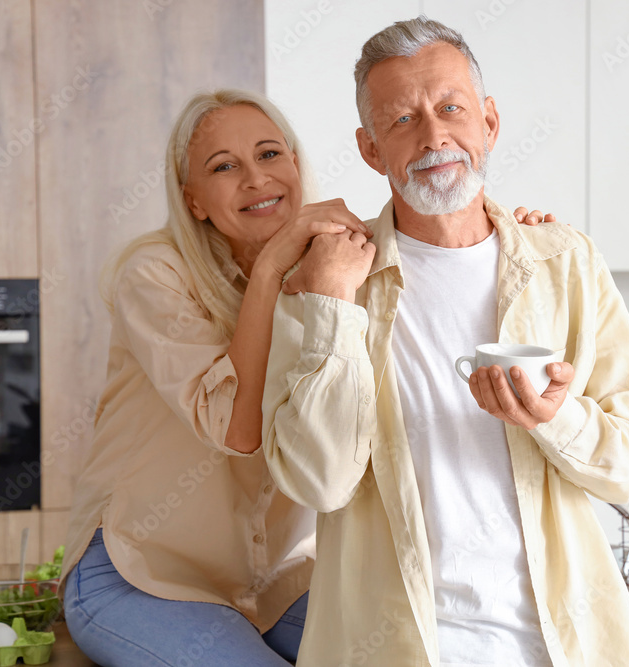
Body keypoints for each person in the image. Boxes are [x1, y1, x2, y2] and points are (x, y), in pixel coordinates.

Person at [60, 87, 555, 667]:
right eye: (224, 167)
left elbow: (440, 280)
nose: (255, 178)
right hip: (143, 575)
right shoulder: (154, 275)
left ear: (295, 164)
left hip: (278, 582)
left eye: (270, 154)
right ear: (193, 200)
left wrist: (508, 237)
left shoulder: (333, 264)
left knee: (406, 652)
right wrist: (272, 266)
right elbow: (237, 430)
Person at [262, 17, 629, 667]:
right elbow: (321, 480)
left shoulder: (565, 263)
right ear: (370, 150)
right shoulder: (325, 281)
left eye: (451, 108)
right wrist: (332, 308)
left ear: (490, 123)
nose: (434, 136)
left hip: (560, 648)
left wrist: (555, 416)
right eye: (402, 121)